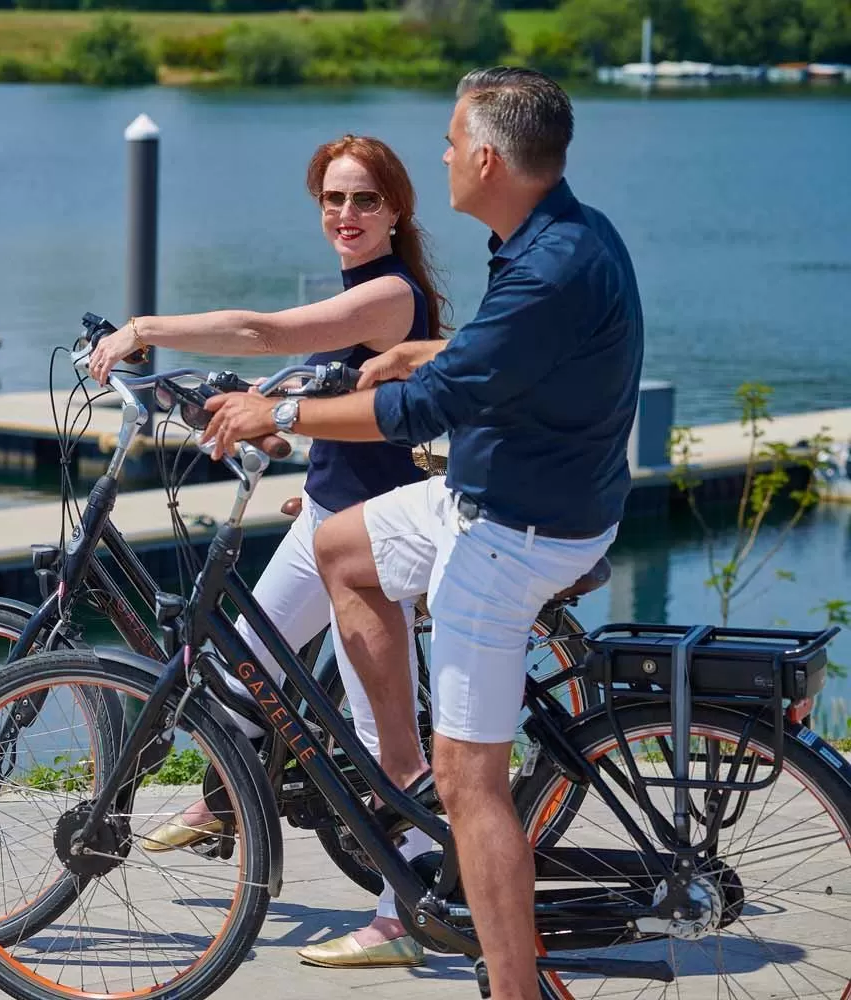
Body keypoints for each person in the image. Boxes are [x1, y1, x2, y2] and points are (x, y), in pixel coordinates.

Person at [200, 68, 645, 1000]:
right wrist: (426, 349)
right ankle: (400, 774)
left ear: (486, 156)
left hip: (516, 528)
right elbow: (502, 356)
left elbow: (424, 410)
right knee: (340, 548)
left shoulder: (552, 263)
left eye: (450, 141)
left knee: (471, 784)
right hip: (507, 493)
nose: (442, 155)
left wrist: (274, 416)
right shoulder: (561, 235)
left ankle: (509, 981)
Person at [89, 134, 446, 969]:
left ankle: (407, 913)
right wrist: (241, 405)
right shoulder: (363, 290)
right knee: (241, 674)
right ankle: (227, 800)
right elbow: (311, 383)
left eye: (363, 199)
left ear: (397, 209)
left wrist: (146, 328)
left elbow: (267, 330)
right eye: (332, 198)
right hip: (324, 513)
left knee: (380, 741)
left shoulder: (390, 295)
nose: (346, 214)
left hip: (369, 535)